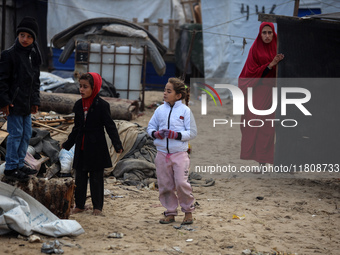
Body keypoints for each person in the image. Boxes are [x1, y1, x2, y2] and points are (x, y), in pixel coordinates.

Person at [62, 72, 123, 216]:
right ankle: (80, 205)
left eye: (85, 87)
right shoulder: (78, 105)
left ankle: (98, 208)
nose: (81, 90)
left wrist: (117, 144)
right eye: (80, 86)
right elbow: (76, 128)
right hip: (81, 146)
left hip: (96, 147)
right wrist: (68, 144)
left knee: (96, 179)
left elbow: (110, 126)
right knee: (80, 178)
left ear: (94, 88)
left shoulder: (102, 105)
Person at [147, 77, 197, 225]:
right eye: (164, 90)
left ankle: (188, 212)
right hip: (161, 154)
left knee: (182, 183)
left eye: (169, 91)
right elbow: (150, 128)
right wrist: (156, 134)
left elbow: (192, 132)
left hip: (180, 154)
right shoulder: (159, 110)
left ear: (178, 95)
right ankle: (170, 212)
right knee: (165, 184)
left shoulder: (185, 111)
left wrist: (177, 135)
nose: (165, 93)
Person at [0, 16, 42, 181]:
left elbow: (35, 81)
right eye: (22, 35)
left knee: (26, 134)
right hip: (13, 103)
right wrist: (4, 102)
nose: (25, 39)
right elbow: (1, 80)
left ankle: (19, 164)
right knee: (15, 134)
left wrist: (35, 101)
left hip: (27, 103)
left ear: (34, 39)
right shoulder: (9, 55)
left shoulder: (33, 55)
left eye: (29, 36)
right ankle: (11, 168)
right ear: (17, 35)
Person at [238, 22, 284, 170]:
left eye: (270, 33)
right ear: (260, 34)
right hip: (258, 92)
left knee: (269, 129)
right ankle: (261, 163)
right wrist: (271, 65)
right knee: (256, 126)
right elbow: (250, 72)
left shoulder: (280, 46)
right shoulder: (255, 49)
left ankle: (268, 160)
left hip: (275, 92)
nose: (267, 36)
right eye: (264, 33)